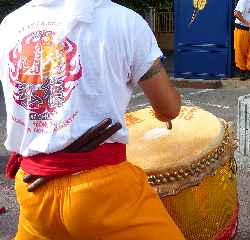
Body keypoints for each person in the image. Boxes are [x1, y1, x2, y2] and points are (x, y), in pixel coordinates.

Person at [0, 0, 184, 239]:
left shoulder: (9, 24)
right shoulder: (125, 22)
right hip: (102, 192)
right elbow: (168, 109)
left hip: (33, 190)